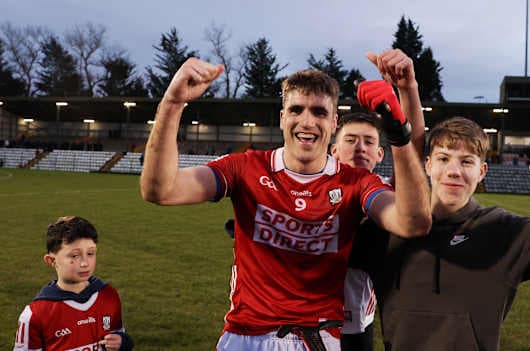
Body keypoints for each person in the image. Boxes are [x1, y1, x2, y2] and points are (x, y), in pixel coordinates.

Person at [140, 48, 431, 351]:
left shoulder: (355, 182)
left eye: (319, 112)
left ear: (334, 123)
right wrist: (173, 103)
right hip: (244, 336)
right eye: (296, 110)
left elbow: (413, 223)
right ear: (282, 118)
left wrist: (398, 133)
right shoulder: (245, 167)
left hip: (316, 338)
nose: (306, 122)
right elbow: (160, 190)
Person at [369, 116, 530, 351]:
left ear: (482, 171)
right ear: (428, 165)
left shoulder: (502, 230)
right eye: (444, 158)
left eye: (466, 162)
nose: (454, 171)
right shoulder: (388, 229)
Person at [13, 216, 133, 351]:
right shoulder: (35, 314)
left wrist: (123, 343)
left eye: (90, 253)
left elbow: (118, 334)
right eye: (75, 256)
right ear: (51, 261)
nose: (85, 263)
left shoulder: (109, 295)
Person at [329, 112, 387, 351]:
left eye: (369, 141)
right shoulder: (309, 189)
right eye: (351, 140)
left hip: (362, 319)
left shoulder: (388, 195)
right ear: (334, 150)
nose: (360, 148)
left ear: (380, 154)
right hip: (312, 318)